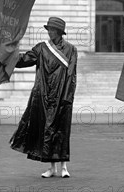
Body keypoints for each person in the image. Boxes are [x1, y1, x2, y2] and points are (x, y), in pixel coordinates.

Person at [10, 17, 78, 178]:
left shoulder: (71, 50)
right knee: (46, 131)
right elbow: (24, 60)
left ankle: (64, 167)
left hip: (62, 97)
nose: (50, 32)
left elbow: (71, 75)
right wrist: (7, 55)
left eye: (53, 30)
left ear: (60, 32)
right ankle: (51, 168)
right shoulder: (41, 48)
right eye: (49, 29)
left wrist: (67, 97)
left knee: (61, 131)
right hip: (43, 96)